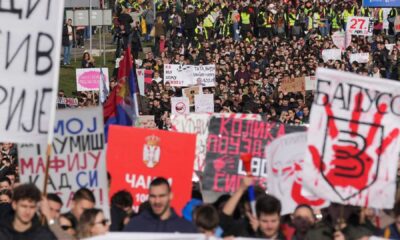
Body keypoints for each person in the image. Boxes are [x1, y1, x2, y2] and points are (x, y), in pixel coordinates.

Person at [124, 177, 197, 233]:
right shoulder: (135, 225)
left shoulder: (185, 228)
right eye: (153, 196)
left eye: (162, 196)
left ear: (170, 196)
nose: (157, 201)